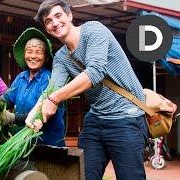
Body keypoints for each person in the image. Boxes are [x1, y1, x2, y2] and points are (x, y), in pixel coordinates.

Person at [25, 0, 148, 179]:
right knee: (83, 175)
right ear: (47, 29)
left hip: (126, 117)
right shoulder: (61, 57)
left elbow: (95, 72)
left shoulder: (93, 30)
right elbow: (53, 89)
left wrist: (54, 99)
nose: (54, 23)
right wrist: (35, 112)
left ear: (69, 15)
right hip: (96, 120)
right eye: (48, 21)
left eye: (58, 16)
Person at [2, 27, 66, 147]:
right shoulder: (21, 77)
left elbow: (40, 113)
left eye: (38, 52)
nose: (33, 56)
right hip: (23, 143)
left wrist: (12, 118)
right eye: (29, 51)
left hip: (46, 144)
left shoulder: (51, 80)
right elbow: (8, 98)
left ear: (46, 57)